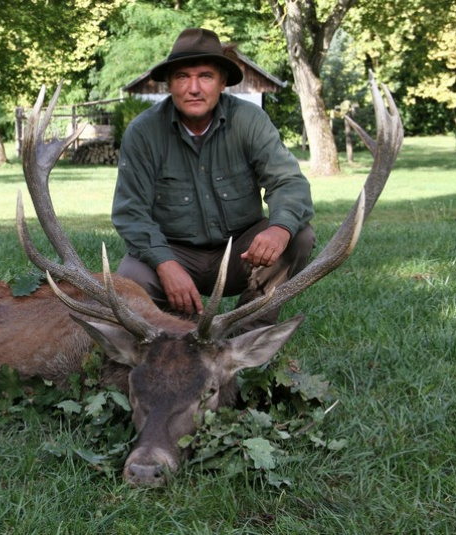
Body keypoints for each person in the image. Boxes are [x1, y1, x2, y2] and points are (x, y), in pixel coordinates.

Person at [112, 28, 315, 329]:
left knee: (298, 237)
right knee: (132, 275)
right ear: (170, 84)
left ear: (222, 82)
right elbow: (130, 211)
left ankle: (249, 334)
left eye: (205, 76)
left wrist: (279, 229)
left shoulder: (249, 121)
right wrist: (165, 264)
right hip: (174, 250)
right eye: (182, 77)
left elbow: (288, 182)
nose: (194, 87)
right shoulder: (144, 132)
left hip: (240, 251)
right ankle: (180, 335)